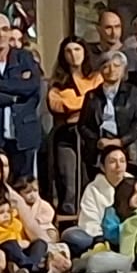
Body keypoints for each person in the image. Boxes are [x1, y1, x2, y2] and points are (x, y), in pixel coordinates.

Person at [45, 36, 98, 215]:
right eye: (68, 51)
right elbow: (57, 105)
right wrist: (83, 103)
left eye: (77, 50)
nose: (73, 55)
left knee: (90, 177)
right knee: (69, 180)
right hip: (66, 134)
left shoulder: (95, 77)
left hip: (91, 133)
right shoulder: (57, 84)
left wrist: (76, 104)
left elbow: (96, 102)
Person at [80, 52, 137, 181]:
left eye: (116, 66)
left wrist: (122, 141)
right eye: (106, 66)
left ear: (123, 70)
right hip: (100, 144)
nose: (112, 70)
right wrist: (97, 141)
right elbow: (83, 125)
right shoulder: (92, 96)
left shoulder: (133, 92)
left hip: (126, 144)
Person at [0, 25, 45, 184]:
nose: (1, 34)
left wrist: (3, 87)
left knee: (24, 186)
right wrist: (15, 95)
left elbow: (32, 87)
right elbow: (22, 89)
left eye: (4, 29)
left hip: (23, 134)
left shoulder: (24, 58)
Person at [0, 190, 49, 273]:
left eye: (8, 212)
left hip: (23, 249)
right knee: (10, 244)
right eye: (1, 213)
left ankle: (30, 266)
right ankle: (32, 268)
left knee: (40, 243)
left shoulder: (16, 222)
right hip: (9, 251)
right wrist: (18, 243)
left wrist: (25, 243)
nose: (6, 216)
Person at [89, 8, 125, 76]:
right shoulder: (89, 54)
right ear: (98, 29)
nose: (114, 32)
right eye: (108, 28)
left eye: (117, 27)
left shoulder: (130, 53)